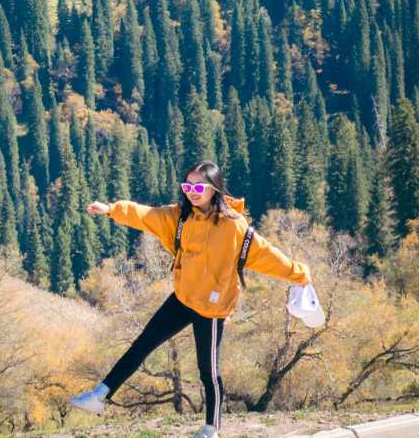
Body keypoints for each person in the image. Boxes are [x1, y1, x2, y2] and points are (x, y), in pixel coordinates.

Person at [69, 160, 311, 438]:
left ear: (214, 188)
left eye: (198, 186)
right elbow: (145, 215)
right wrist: (112, 210)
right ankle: (99, 395)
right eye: (187, 186)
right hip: (183, 297)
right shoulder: (180, 217)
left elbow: (267, 255)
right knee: (142, 344)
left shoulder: (234, 227)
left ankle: (212, 429)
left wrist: (299, 274)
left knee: (208, 371)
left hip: (212, 307)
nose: (192, 192)